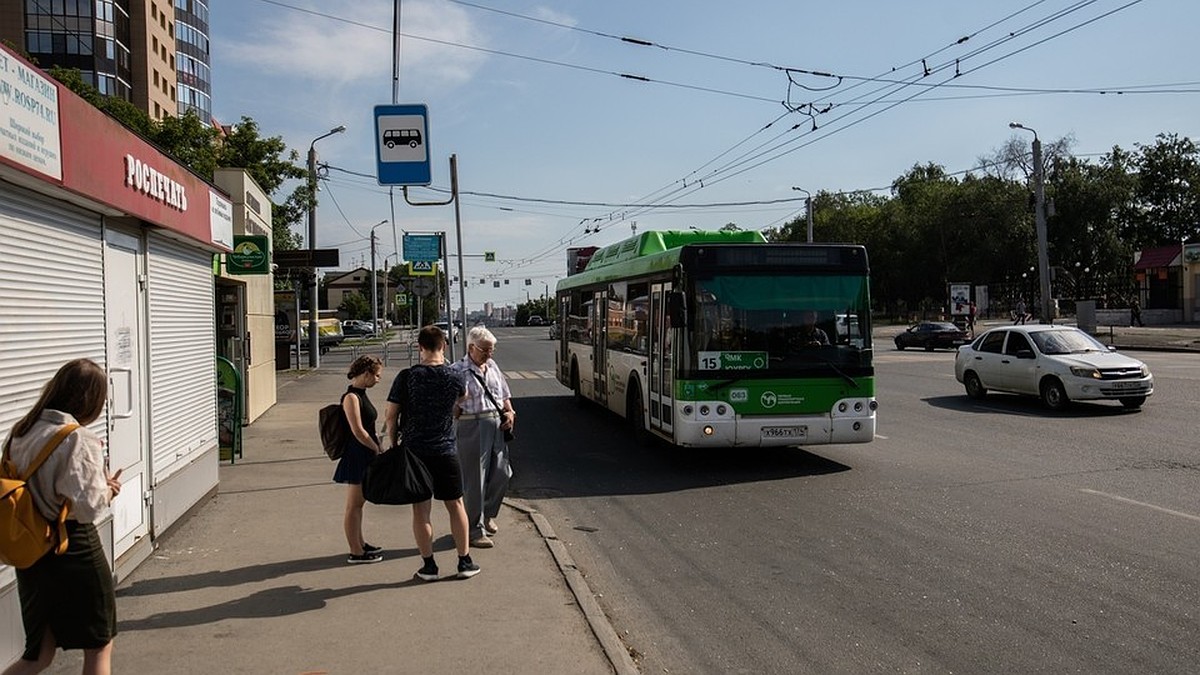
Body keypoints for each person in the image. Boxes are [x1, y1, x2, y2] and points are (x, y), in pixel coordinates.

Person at [1, 359, 122, 675]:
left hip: (31, 550)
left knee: (39, 654)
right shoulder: (77, 438)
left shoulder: (20, 431)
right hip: (73, 547)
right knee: (98, 644)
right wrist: (109, 489)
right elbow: (89, 506)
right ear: (90, 400)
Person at [383, 326, 480, 582]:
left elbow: (391, 416)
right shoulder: (455, 377)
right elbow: (463, 397)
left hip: (415, 453)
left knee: (421, 510)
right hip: (446, 450)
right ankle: (464, 561)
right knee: (455, 505)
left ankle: (429, 567)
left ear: (420, 347)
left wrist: (393, 444)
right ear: (444, 346)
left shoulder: (407, 377)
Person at [452, 327, 515, 549]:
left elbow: (504, 394)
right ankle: (474, 529)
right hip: (471, 425)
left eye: (491, 350)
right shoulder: (457, 371)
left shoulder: (493, 366)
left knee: (502, 473)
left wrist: (510, 412)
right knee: (474, 480)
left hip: (496, 424)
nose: (489, 354)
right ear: (471, 348)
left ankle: (487, 514)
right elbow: (450, 407)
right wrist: (456, 405)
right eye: (485, 350)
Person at [332, 355, 384, 565]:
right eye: (377, 375)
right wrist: (376, 448)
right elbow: (358, 431)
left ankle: (360, 543)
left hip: (364, 452)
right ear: (366, 374)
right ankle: (355, 551)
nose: (378, 379)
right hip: (357, 454)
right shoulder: (351, 397)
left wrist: (376, 446)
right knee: (353, 505)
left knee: (358, 504)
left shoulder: (361, 394)